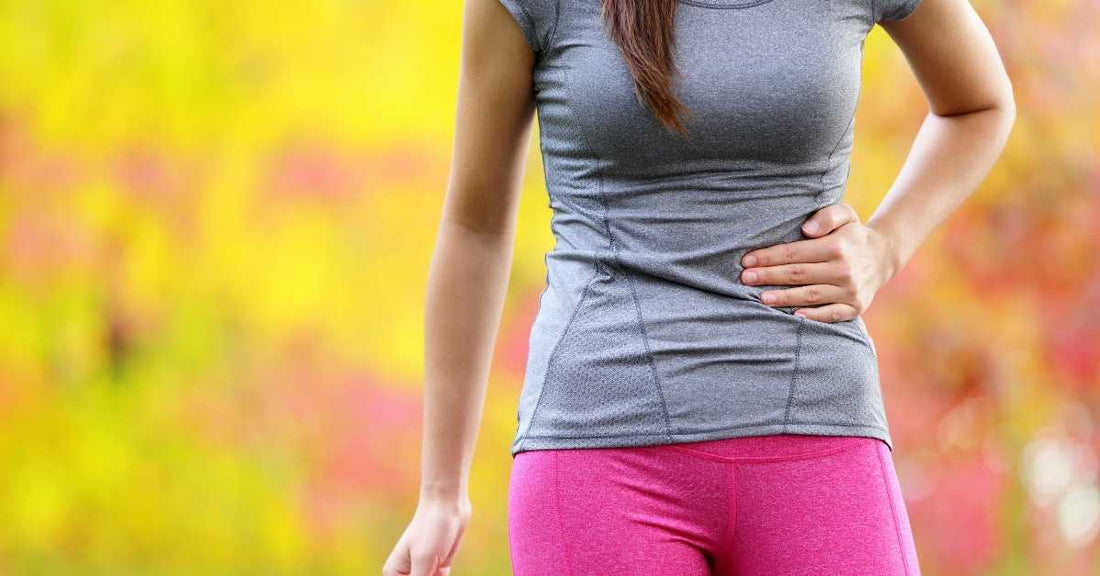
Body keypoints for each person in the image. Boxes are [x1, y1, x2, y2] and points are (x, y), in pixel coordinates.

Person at [383, 0, 1015, 573]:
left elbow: (979, 104)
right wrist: (442, 489)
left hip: (818, 425)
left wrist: (885, 246)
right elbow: (475, 226)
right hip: (601, 455)